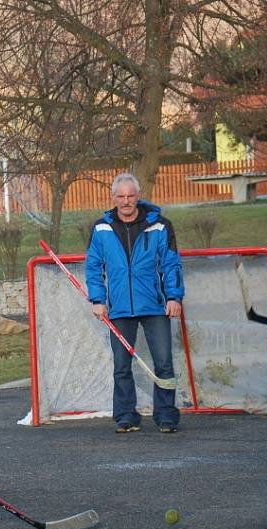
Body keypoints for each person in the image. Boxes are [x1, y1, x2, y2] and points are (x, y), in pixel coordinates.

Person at [85, 172, 184, 434]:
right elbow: (94, 267)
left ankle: (166, 416)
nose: (126, 201)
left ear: (138, 196)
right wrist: (98, 300)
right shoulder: (101, 229)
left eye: (130, 196)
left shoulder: (160, 226)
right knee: (121, 365)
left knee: (163, 363)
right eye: (121, 196)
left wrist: (174, 297)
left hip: (155, 305)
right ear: (113, 197)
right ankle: (126, 416)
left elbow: (171, 263)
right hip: (117, 308)